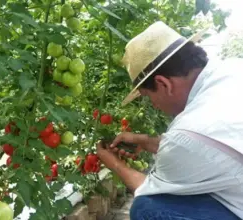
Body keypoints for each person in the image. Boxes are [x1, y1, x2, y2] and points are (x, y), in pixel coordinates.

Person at [96, 21, 243, 220]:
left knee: (146, 208)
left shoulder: (189, 131)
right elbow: (207, 146)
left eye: (148, 96)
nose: (153, 105)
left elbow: (148, 188)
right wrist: (145, 141)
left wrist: (114, 163)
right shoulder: (232, 68)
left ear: (163, 84)